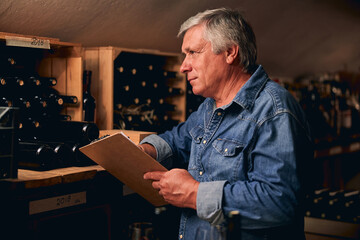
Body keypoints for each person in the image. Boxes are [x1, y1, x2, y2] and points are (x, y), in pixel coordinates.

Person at [139, 7, 313, 240]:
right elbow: (178, 140)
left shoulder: (274, 110)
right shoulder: (209, 107)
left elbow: (278, 202)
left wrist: (194, 193)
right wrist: (145, 150)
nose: (183, 66)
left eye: (193, 52)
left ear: (230, 52)